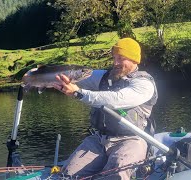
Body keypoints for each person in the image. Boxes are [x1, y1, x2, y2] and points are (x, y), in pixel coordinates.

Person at [53, 38, 158, 179]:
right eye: (114, 58)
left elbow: (115, 99)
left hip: (131, 140)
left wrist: (78, 93)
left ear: (134, 60)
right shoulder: (104, 76)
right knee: (68, 175)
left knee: (116, 175)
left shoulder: (144, 84)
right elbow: (72, 75)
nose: (115, 63)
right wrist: (38, 74)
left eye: (121, 58)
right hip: (100, 139)